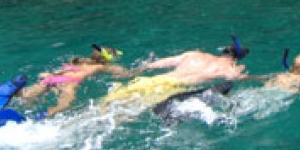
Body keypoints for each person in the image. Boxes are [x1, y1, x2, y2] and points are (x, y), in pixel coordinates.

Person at [103, 36, 249, 107]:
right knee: (126, 112)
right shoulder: (227, 68)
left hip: (151, 81)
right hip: (167, 89)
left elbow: (155, 64)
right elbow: (233, 77)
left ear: (223, 51)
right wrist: (242, 74)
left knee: (106, 103)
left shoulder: (194, 55)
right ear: (236, 59)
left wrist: (132, 73)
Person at [19, 44, 129, 117]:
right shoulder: (103, 66)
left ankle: (18, 97)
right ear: (108, 58)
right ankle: (40, 117)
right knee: (63, 106)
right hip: (69, 82)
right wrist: (143, 67)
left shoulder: (81, 61)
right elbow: (126, 74)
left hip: (53, 77)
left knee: (28, 97)